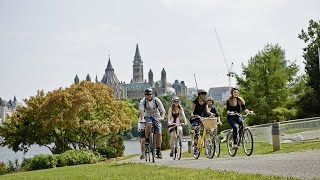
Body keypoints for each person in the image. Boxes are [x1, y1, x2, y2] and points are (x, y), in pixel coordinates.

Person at [139, 88, 165, 159]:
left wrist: (162, 117)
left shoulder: (157, 100)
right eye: (147, 95)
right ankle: (147, 139)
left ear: (152, 94)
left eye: (150, 94)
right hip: (147, 116)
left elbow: (162, 110)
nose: (149, 96)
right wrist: (142, 118)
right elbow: (141, 111)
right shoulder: (143, 101)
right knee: (149, 123)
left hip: (156, 116)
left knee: (159, 133)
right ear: (145, 95)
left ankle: (158, 151)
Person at [190, 89, 214, 153]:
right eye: (202, 94)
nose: (203, 95)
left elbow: (207, 111)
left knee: (207, 128)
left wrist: (211, 113)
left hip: (202, 118)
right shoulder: (195, 102)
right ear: (199, 95)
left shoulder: (205, 102)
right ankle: (195, 147)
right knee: (197, 131)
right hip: (195, 118)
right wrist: (192, 115)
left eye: (204, 94)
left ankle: (207, 143)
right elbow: (192, 111)